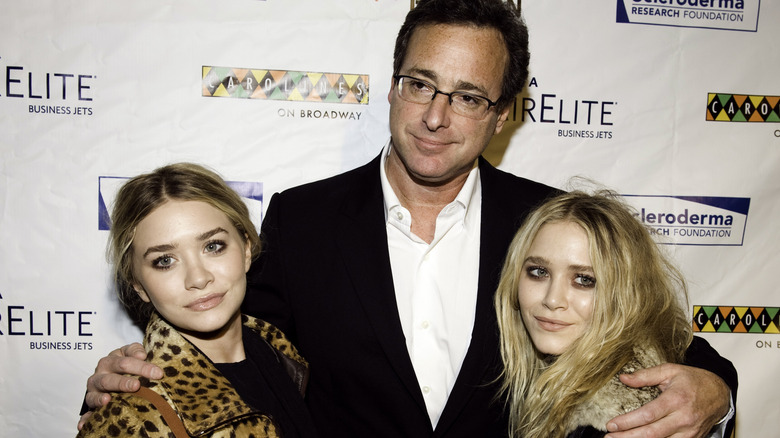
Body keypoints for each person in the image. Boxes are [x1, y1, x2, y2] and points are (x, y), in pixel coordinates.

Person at [79, 1, 737, 437]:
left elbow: (666, 343)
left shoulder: (546, 222)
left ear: (502, 113)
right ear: (393, 85)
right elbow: (240, 355)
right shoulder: (303, 218)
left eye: (468, 96)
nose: (434, 117)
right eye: (421, 84)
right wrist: (139, 379)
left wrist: (716, 392)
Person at [78, 163, 318, 437]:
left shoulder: (279, 351)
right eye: (165, 261)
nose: (198, 278)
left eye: (213, 246)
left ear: (247, 249)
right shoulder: (130, 415)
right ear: (138, 286)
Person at [495, 190, 736, 438]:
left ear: (626, 293)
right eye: (538, 272)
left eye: (584, 279)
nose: (552, 299)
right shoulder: (520, 361)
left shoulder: (629, 419)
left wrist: (718, 390)